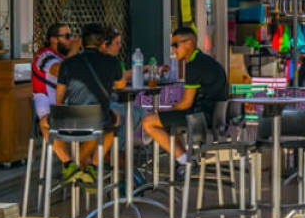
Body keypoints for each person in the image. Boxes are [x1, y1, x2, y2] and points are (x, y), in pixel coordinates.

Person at [141, 26, 228, 165]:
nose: (174, 50)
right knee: (167, 120)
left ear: (189, 43)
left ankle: (185, 162)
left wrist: (167, 110)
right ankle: (185, 159)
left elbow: (186, 103)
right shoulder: (205, 61)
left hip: (200, 118)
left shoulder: (195, 65)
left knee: (148, 121)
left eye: (176, 45)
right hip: (212, 116)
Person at [54, 23, 124, 189]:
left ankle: (68, 163)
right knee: (115, 121)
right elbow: (120, 86)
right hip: (98, 118)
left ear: (82, 44)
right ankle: (92, 166)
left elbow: (59, 98)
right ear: (103, 44)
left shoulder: (68, 63)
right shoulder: (112, 61)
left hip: (69, 120)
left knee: (44, 123)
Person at [31, 22, 77, 163]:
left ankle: (87, 170)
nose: (70, 40)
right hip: (51, 112)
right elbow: (60, 71)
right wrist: (73, 51)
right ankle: (70, 166)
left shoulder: (62, 57)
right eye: (67, 36)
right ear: (53, 39)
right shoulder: (44, 56)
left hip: (70, 110)